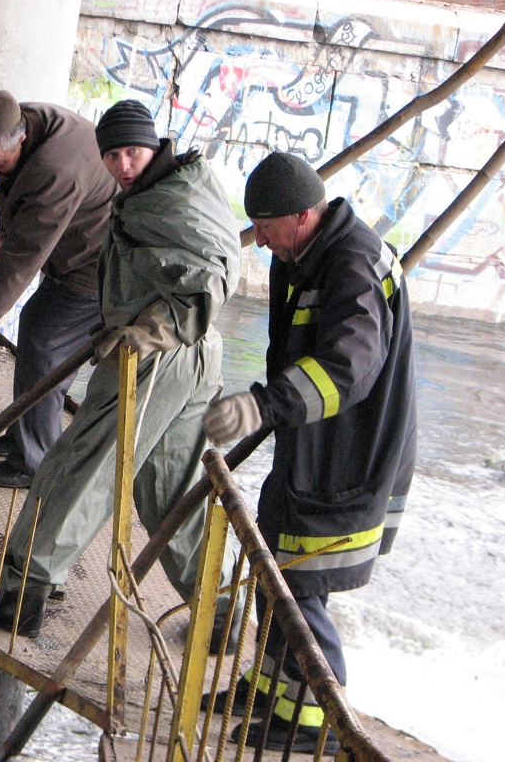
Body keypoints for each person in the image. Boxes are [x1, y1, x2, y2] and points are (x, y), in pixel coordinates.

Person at [0, 99, 243, 641]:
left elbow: (207, 286)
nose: (121, 166)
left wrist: (142, 335)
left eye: (131, 153)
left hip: (158, 357)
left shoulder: (170, 200)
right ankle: (221, 606)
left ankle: (25, 591)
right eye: (111, 156)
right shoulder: (177, 184)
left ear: (154, 144)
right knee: (167, 489)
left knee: (80, 463)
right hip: (196, 359)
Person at [202, 152, 417, 754]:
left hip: (346, 456)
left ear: (302, 216)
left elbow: (347, 368)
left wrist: (263, 407)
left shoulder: (349, 266)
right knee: (275, 560)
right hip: (309, 443)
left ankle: (311, 721)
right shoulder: (302, 253)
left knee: (302, 583)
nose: (262, 242)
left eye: (267, 228)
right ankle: (271, 690)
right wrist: (275, 409)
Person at [0, 90, 116, 488]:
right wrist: (10, 233)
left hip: (100, 261)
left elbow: (24, 260)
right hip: (75, 238)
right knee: (39, 328)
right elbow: (23, 202)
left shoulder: (55, 168)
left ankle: (32, 462)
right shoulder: (24, 120)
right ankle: (26, 435)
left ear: (18, 141)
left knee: (46, 343)